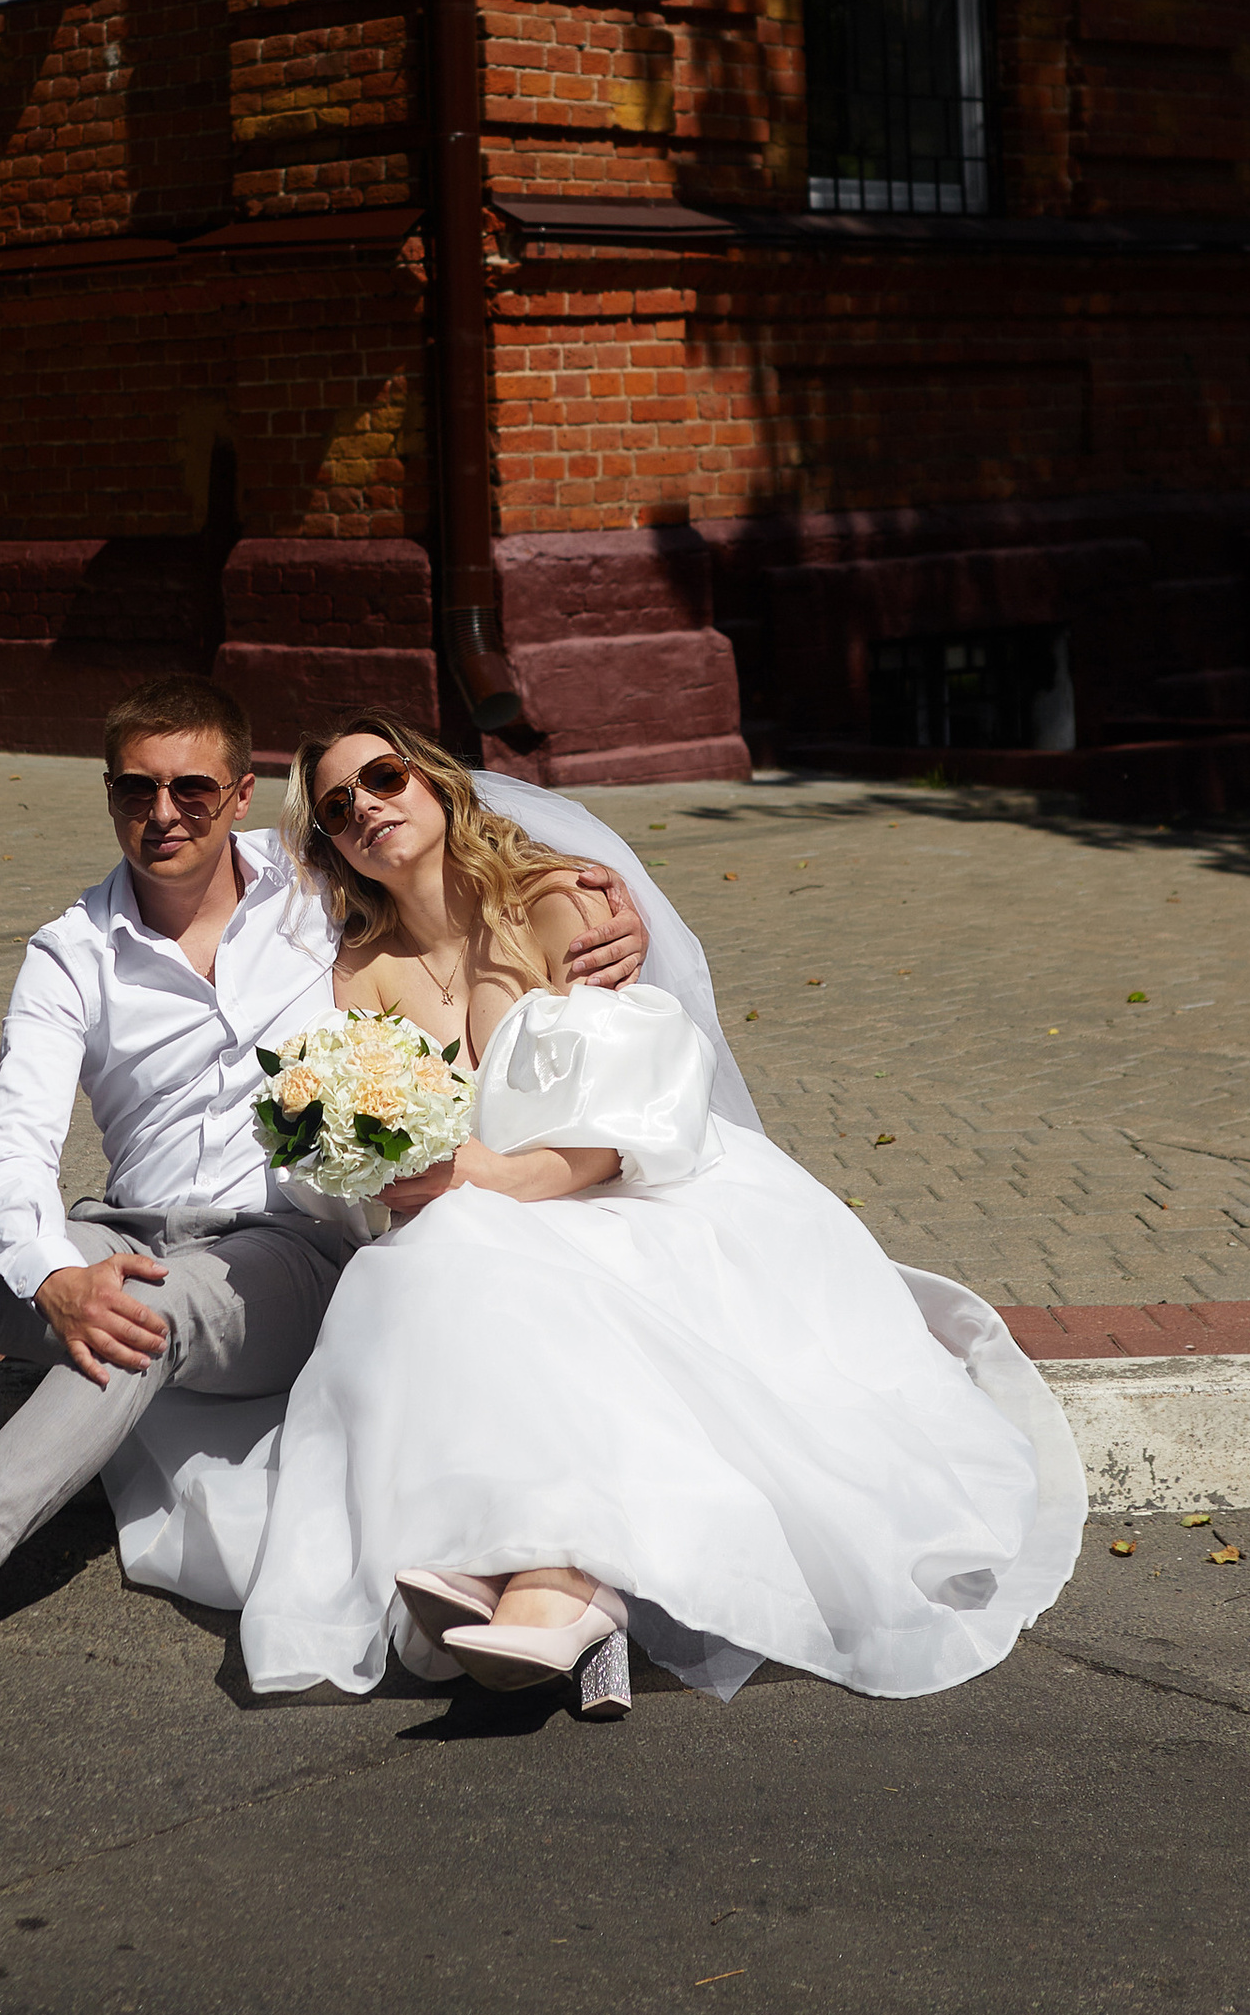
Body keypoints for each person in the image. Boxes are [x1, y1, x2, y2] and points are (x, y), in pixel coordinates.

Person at [0, 675, 660, 1675]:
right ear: (108, 797)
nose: (165, 813)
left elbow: (443, 857)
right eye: (137, 790)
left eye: (192, 789)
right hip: (124, 1225)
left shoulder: (315, 889)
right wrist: (51, 1273)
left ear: (238, 796)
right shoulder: (71, 951)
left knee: (143, 1303)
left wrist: (603, 900)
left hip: (280, 1251)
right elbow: (10, 1147)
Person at [180, 716, 1086, 1716]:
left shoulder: (566, 903)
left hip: (642, 1189)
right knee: (432, 1270)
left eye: (384, 778)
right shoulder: (362, 971)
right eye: (337, 809)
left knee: (480, 1266)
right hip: (485, 1214)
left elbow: (629, 1123)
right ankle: (545, 1585)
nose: (366, 811)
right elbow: (368, 1121)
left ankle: (546, 1579)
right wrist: (366, 1157)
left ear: (436, 784)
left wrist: (477, 1178)